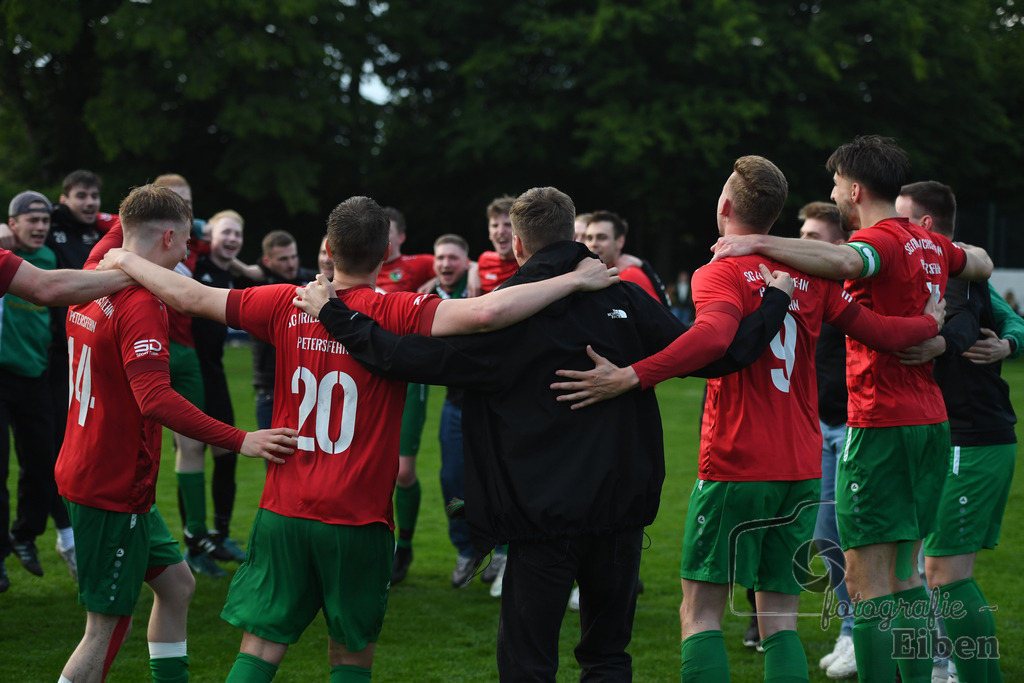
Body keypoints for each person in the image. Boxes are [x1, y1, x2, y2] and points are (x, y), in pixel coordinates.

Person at [99, 193, 621, 681]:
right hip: (358, 516)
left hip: (285, 507)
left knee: (259, 647)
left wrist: (125, 259)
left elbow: (188, 296)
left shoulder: (288, 302)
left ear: (327, 249)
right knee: (350, 651)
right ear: (387, 251)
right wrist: (573, 281)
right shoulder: (396, 310)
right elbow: (487, 312)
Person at [296, 186, 803, 681]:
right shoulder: (625, 297)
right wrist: (776, 299)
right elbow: (722, 354)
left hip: (541, 517)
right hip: (620, 509)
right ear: (574, 232)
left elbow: (402, 357)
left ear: (517, 245)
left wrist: (334, 314)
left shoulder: (501, 314)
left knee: (528, 661)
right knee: (607, 657)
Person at [549, 156, 947, 683]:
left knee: (701, 614)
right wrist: (929, 321)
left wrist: (632, 376)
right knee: (781, 620)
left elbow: (713, 338)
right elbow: (882, 331)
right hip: (802, 467)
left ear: (726, 206)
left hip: (736, 462)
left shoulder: (720, 270)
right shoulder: (808, 274)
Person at [703, 137, 993, 681]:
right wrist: (955, 282)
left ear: (854, 190)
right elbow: (980, 260)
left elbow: (844, 258)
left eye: (835, 184)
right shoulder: (926, 240)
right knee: (906, 572)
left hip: (881, 422)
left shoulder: (878, 238)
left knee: (865, 582)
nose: (832, 193)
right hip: (930, 419)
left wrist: (757, 242)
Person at [54, 184, 295, 683]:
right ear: (167, 237)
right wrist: (240, 439)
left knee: (177, 584)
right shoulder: (142, 302)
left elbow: (126, 222)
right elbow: (156, 399)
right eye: (185, 241)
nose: (188, 253)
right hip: (110, 485)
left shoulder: (98, 266)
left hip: (105, 473)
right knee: (103, 629)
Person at [895, 181, 1014, 683]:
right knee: (921, 570)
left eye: (899, 220)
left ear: (923, 227)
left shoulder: (956, 265)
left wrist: (943, 343)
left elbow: (971, 321)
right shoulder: (926, 266)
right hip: (946, 437)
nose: (889, 230)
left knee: (944, 573)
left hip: (974, 439)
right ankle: (938, 669)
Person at [798, 201, 858, 679]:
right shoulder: (808, 287)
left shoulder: (854, 288)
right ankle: (848, 629)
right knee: (825, 538)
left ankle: (863, 635)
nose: (802, 242)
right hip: (820, 428)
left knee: (861, 541)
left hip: (857, 428)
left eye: (812, 237)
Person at [374, 208, 439, 586]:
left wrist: (430, 289)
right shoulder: (361, 267)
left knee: (403, 470)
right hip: (370, 373)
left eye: (389, 232)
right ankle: (379, 545)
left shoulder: (415, 265)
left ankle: (407, 544)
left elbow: (462, 263)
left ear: (400, 237)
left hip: (409, 375)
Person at [0, 191, 61, 590]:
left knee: (44, 463)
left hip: (36, 375)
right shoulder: (5, 258)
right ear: (13, 223)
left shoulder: (51, 260)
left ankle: (24, 535)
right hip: (1, 375)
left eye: (45, 220)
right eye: (31, 220)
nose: (40, 227)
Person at [188, 210, 250, 567]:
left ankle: (220, 537)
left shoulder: (231, 273)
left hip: (216, 372)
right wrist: (204, 232)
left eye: (237, 235)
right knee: (192, 453)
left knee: (226, 454)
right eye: (226, 232)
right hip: (188, 370)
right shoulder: (194, 262)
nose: (232, 239)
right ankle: (195, 544)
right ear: (211, 235)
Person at [245, 230, 318, 430]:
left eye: (294, 256)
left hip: (308, 386)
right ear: (267, 261)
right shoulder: (256, 286)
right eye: (283, 259)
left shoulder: (311, 282)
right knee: (274, 458)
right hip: (270, 388)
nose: (291, 263)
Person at [584, 210, 670, 306]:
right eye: (589, 238)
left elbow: (658, 316)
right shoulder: (589, 277)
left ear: (620, 241)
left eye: (602, 237)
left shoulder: (630, 275)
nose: (593, 244)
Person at [478, 196, 520, 293]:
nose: (500, 231)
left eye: (508, 225)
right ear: (489, 233)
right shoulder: (484, 260)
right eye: (495, 225)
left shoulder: (532, 263)